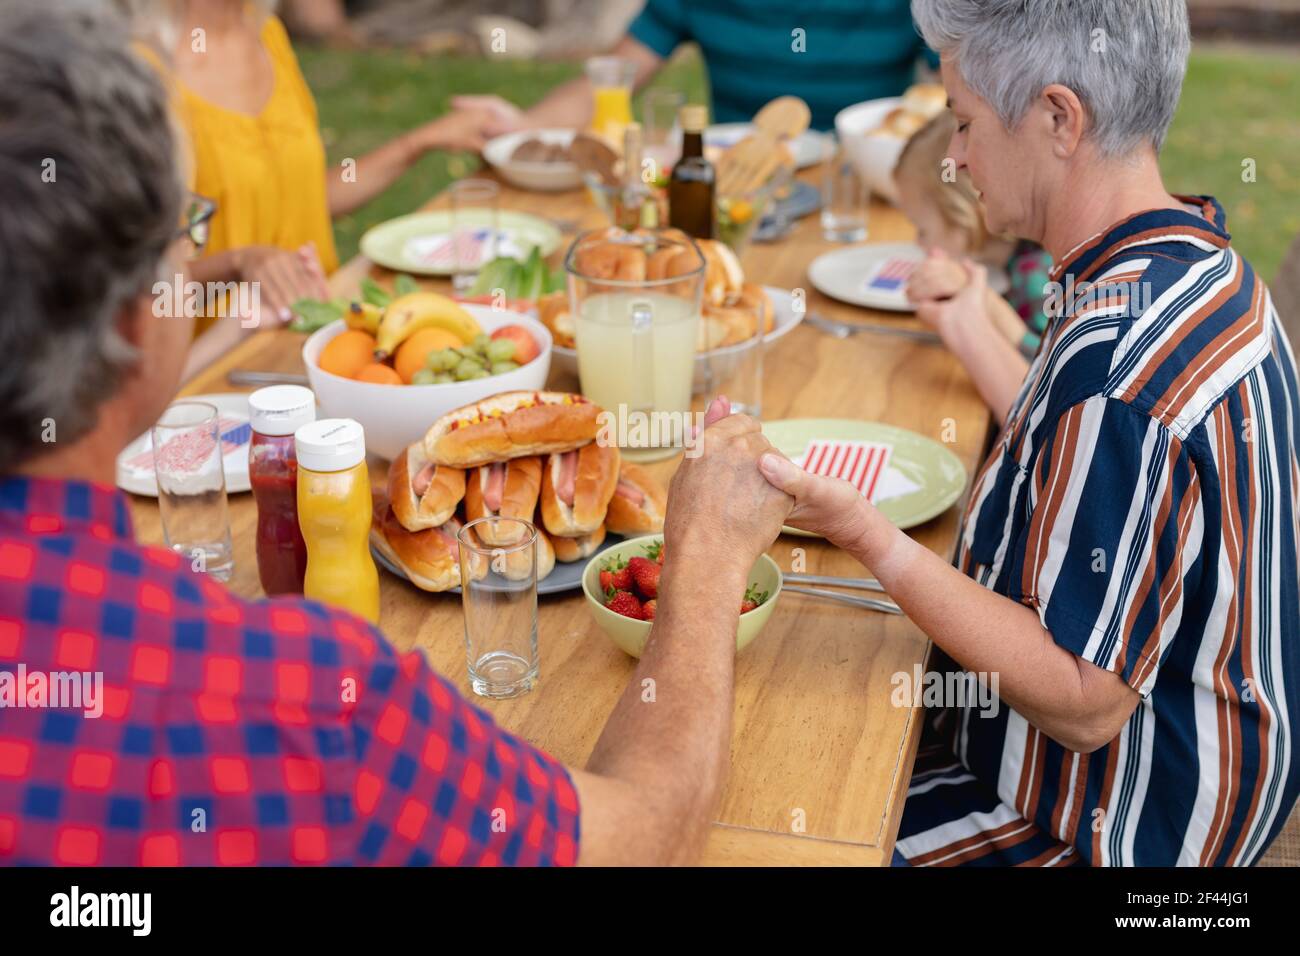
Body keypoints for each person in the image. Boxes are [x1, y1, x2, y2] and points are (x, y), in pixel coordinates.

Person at [0, 0, 793, 866]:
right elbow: (641, 837)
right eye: (182, 243)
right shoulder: (307, 704)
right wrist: (710, 563)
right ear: (136, 316)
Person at [758, 0, 1300, 865]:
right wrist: (973, 328)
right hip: (1156, 777)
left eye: (964, 124)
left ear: (1058, 117)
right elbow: (1092, 464)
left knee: (778, 817)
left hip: (1118, 823)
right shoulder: (1178, 260)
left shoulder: (1121, 370)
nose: (958, 157)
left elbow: (1084, 702)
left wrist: (867, 533)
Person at [130, 1, 490, 379]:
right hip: (218, 373)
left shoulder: (267, 35)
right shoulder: (145, 72)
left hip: (323, 342)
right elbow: (138, 282)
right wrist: (239, 262)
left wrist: (419, 142)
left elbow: (300, 197)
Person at [452, 0, 937, 136]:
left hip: (869, 193)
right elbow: (614, 78)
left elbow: (962, 88)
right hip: (738, 192)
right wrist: (525, 127)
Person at [895, 112, 1054, 364]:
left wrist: (983, 302)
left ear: (962, 214)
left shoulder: (1034, 274)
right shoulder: (1004, 263)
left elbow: (1048, 368)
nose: (917, 243)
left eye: (922, 229)